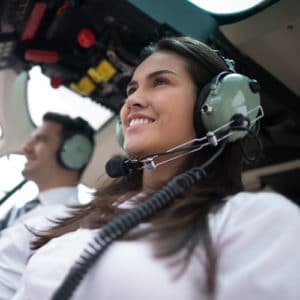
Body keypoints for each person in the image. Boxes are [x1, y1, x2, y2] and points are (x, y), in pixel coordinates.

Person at [12, 36, 300, 300]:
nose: (132, 101)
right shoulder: (91, 214)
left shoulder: (253, 221)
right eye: (132, 89)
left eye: (160, 82)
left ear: (220, 106)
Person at [0, 112, 95, 299]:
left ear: (75, 152)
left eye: (40, 140)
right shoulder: (24, 210)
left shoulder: (70, 225)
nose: (25, 148)